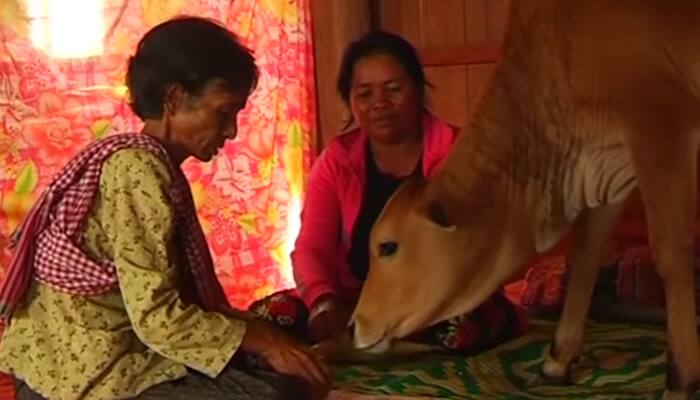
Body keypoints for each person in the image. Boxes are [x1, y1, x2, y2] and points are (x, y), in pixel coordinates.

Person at [0, 16, 330, 400]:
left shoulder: (150, 163)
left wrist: (265, 339)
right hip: (83, 370)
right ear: (174, 99)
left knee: (279, 364)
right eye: (223, 112)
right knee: (272, 391)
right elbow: (157, 318)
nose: (232, 131)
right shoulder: (137, 170)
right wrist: (264, 341)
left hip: (115, 351)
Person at [250, 30, 527, 354]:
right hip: (361, 300)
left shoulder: (461, 153)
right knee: (268, 319)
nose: (380, 104)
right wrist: (323, 301)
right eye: (365, 94)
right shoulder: (337, 161)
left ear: (418, 90)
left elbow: (485, 243)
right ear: (350, 102)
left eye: (393, 89)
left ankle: (378, 346)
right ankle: (377, 344)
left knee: (460, 328)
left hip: (444, 300)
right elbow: (312, 246)